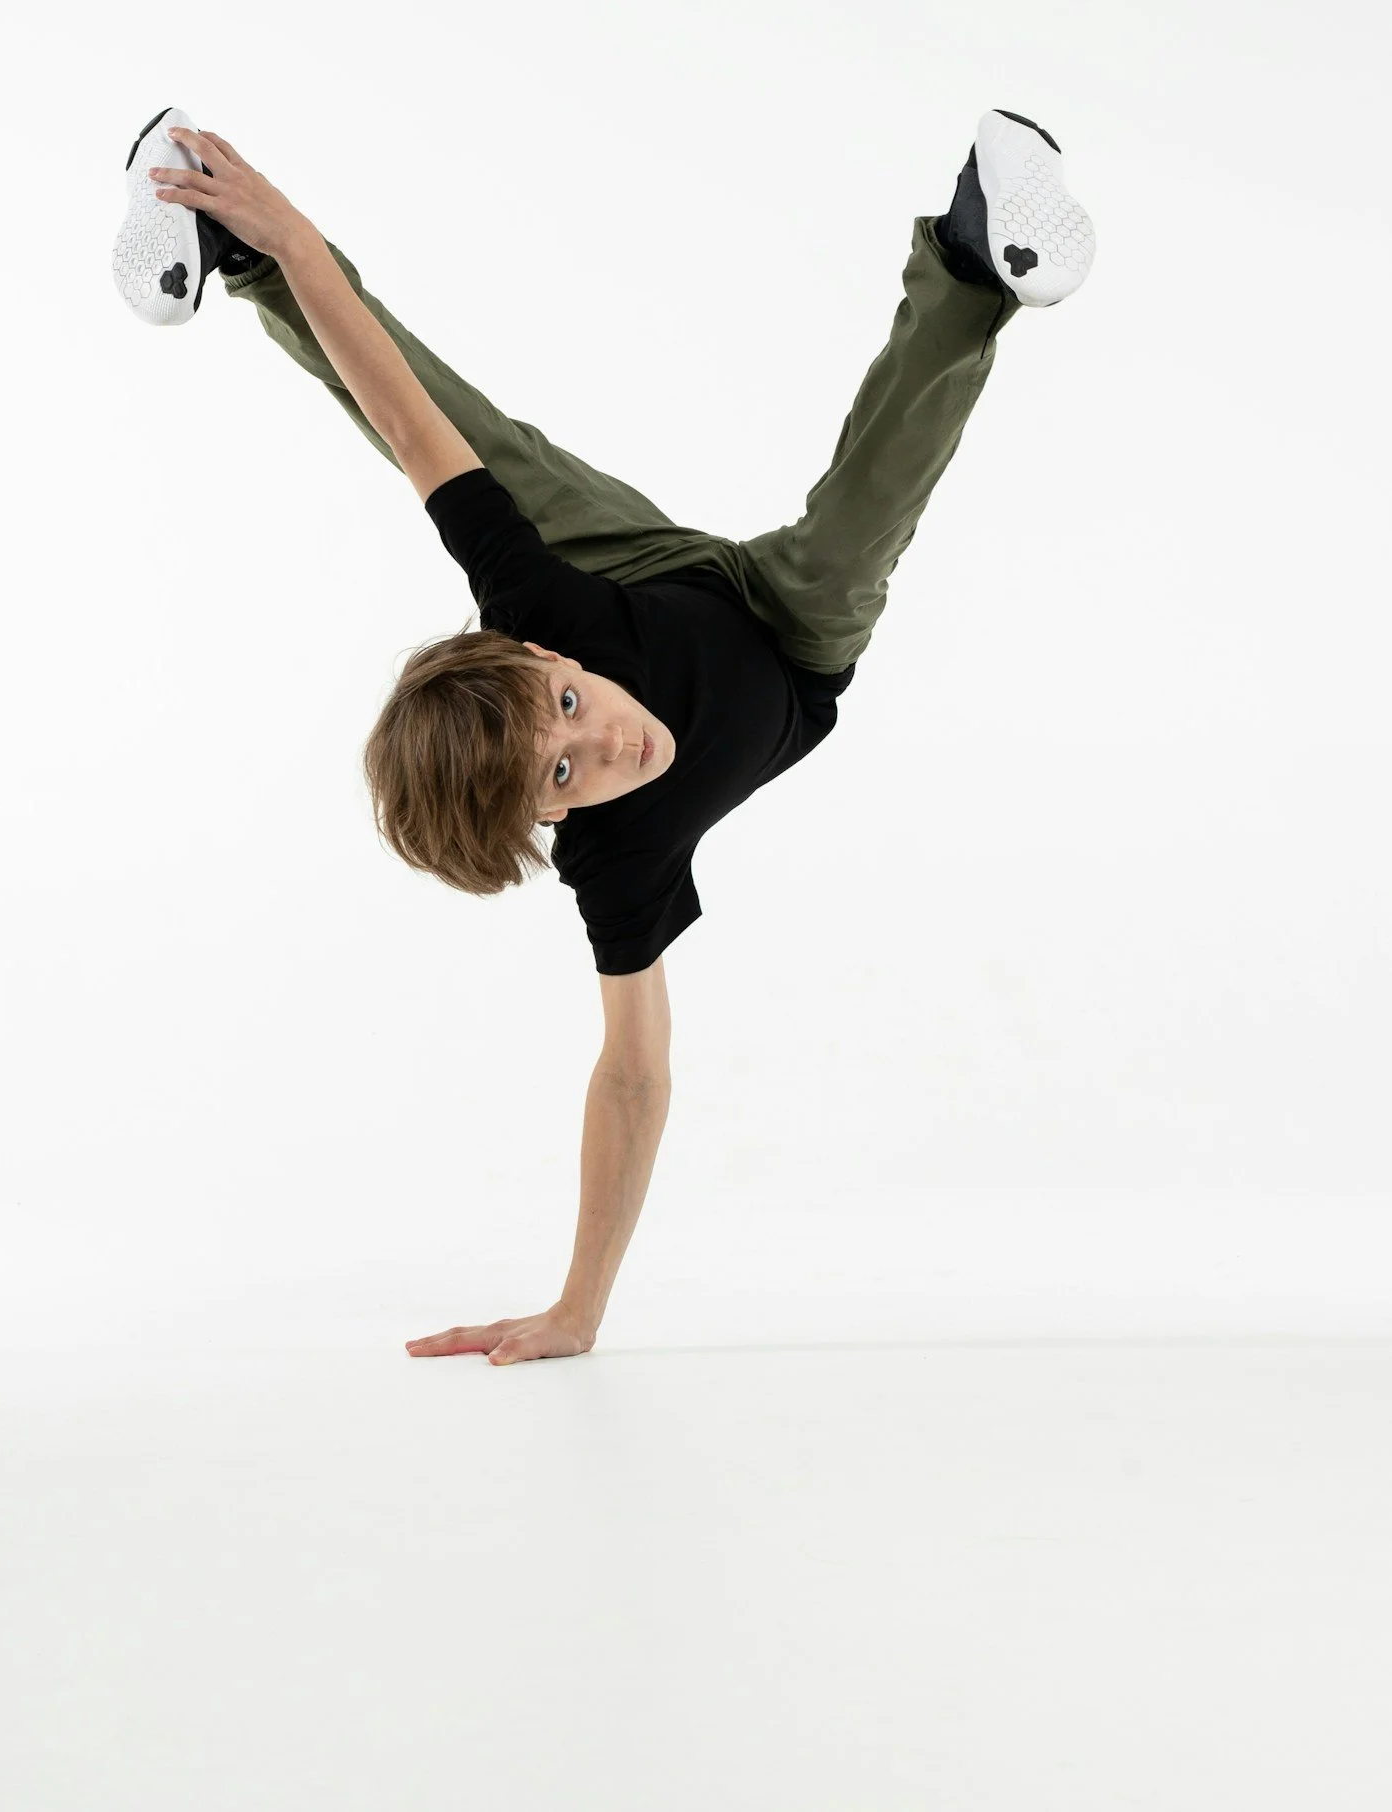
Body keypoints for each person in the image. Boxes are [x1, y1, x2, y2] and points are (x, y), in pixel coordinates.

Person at [112, 105, 1096, 1365]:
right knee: (858, 533)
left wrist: (297, 237)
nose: (606, 748)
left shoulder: (537, 611)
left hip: (626, 571)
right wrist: (578, 1305)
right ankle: (972, 247)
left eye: (566, 713)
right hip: (790, 643)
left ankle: (224, 228)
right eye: (563, 777)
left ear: (539, 660)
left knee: (455, 432)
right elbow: (632, 1071)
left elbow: (409, 423)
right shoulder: (616, 863)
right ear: (549, 820)